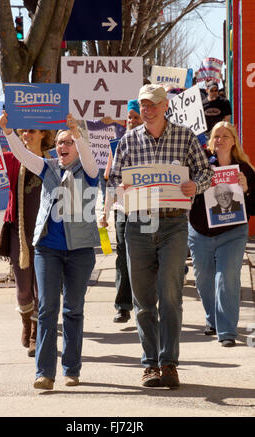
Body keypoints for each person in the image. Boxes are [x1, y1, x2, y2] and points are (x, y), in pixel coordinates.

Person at [109, 84, 214, 388]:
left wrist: (197, 185)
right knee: (143, 301)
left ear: (165, 105)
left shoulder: (185, 136)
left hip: (172, 225)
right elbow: (115, 179)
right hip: (138, 225)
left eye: (153, 103)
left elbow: (205, 172)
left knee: (170, 297)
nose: (148, 109)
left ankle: (168, 364)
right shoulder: (128, 140)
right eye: (143, 104)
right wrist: (120, 193)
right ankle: (149, 365)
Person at [0, 111, 100, 390]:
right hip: (47, 250)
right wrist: (8, 131)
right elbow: (23, 156)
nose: (62, 146)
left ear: (78, 145)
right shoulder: (49, 167)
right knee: (47, 309)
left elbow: (90, 160)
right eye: (59, 142)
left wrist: (77, 133)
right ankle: (44, 373)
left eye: (68, 142)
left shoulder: (89, 171)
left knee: (73, 310)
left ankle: (71, 369)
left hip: (79, 252)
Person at [0, 110, 54, 358]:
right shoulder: (13, 157)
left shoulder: (52, 161)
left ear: (43, 134)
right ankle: (26, 322)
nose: (27, 134)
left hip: (46, 233)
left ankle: (36, 332)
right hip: (18, 230)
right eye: (24, 130)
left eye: (32, 131)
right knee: (24, 287)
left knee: (41, 287)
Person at [188, 121, 255, 347]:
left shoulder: (244, 169)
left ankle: (227, 332)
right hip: (200, 231)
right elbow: (187, 193)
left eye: (225, 136)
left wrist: (246, 190)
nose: (221, 140)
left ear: (234, 141)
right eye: (217, 136)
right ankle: (213, 320)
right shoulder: (201, 164)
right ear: (211, 141)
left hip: (232, 232)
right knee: (204, 279)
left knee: (226, 277)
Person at [100, 99, 143, 323]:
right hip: (122, 209)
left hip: (146, 208)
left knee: (144, 257)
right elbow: (109, 182)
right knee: (123, 256)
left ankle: (144, 303)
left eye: (136, 117)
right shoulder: (115, 146)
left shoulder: (152, 144)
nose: (132, 121)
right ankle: (123, 305)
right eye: (130, 117)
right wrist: (104, 213)